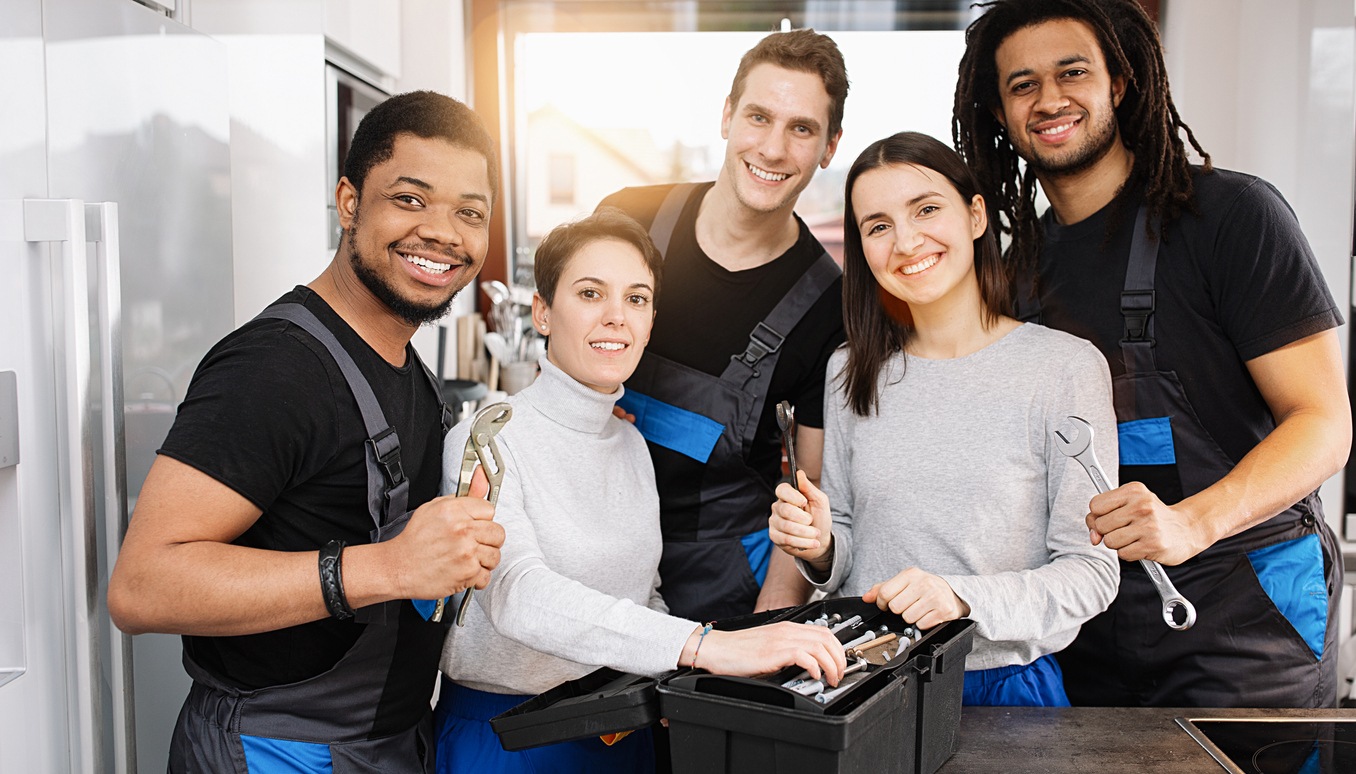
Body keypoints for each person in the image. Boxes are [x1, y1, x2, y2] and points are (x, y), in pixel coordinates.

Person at [953, 0, 1350, 707]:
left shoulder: (1231, 219)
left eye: (1071, 72)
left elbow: (1323, 424)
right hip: (1095, 630)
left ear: (1120, 82)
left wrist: (1191, 522)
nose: (1049, 100)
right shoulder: (1016, 279)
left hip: (1248, 613)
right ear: (998, 112)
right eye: (1022, 85)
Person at [107, 91, 506, 772]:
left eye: (469, 212)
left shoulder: (404, 364)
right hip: (273, 752)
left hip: (384, 745)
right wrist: (385, 566)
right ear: (349, 201)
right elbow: (142, 586)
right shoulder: (276, 367)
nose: (442, 232)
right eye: (410, 200)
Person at [433, 209, 846, 773]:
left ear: (651, 321)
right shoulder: (485, 440)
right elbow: (515, 596)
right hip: (508, 741)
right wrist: (705, 645)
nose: (615, 318)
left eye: (636, 299)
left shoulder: (630, 447)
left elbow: (643, 595)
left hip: (623, 734)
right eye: (589, 293)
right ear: (543, 312)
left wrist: (676, 677)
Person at [769, 131, 1120, 707]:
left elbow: (1092, 573)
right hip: (861, 685)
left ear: (976, 215)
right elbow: (851, 542)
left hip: (1003, 689)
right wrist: (822, 548)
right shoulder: (848, 371)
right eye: (878, 226)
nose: (906, 241)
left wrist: (961, 600)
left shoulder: (1065, 368)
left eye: (926, 209)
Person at [598, 28, 849, 622]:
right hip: (589, 548)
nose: (773, 148)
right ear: (727, 117)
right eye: (759, 117)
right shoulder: (625, 216)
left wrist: (768, 629)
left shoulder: (827, 305)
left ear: (829, 148)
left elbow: (808, 496)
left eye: (802, 129)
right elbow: (557, 363)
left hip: (721, 586)